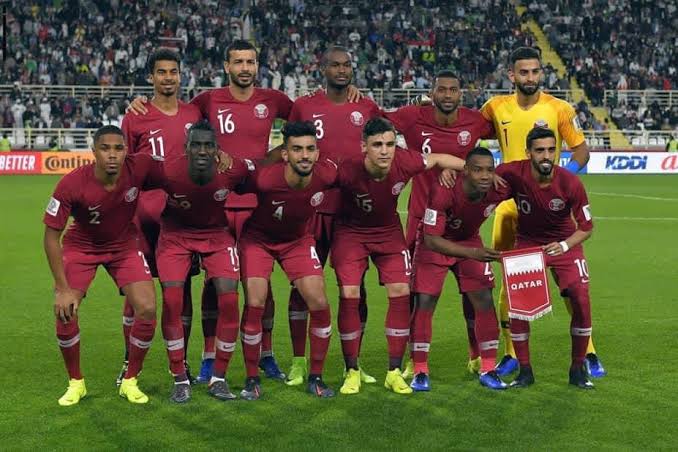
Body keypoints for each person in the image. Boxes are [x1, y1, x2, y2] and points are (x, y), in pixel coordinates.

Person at [129, 40, 294, 383]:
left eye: (250, 62)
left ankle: (266, 353)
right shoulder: (205, 102)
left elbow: (307, 120)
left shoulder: (273, 100)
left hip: (254, 203)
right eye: (238, 62)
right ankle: (208, 355)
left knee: (260, 284)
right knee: (212, 284)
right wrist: (140, 102)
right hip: (212, 206)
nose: (245, 68)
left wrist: (272, 158)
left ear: (258, 65)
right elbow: (172, 118)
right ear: (226, 66)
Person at [480, 47, 604, 378]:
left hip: (550, 211)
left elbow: (581, 150)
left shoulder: (559, 108)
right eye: (524, 72)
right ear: (512, 75)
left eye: (535, 71)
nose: (530, 77)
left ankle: (588, 350)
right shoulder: (495, 107)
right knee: (511, 283)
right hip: (510, 207)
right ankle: (511, 353)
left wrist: (563, 181)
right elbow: (466, 131)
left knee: (572, 286)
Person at [332, 118, 465, 395]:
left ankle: (393, 372)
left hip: (388, 232)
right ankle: (351, 370)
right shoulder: (346, 170)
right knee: (349, 293)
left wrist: (473, 169)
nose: (385, 151)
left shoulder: (405, 161)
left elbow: (438, 157)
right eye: (377, 145)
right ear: (364, 147)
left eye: (390, 144)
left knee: (401, 291)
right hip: (351, 233)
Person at [383, 70, 495, 377]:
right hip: (422, 221)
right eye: (441, 90)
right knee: (418, 295)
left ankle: (476, 355)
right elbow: (377, 119)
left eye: (453, 90)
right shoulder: (412, 117)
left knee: (474, 292)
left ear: (461, 94)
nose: (447, 95)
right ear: (432, 93)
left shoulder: (474, 121)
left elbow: (505, 127)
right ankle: (414, 359)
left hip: (464, 225)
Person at [43, 125, 161, 405]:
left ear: (126, 151)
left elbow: (177, 174)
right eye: (105, 148)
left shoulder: (139, 166)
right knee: (66, 310)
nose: (112, 155)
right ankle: (76, 382)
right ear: (93, 151)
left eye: (118, 148)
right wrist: (62, 288)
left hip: (124, 245)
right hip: (82, 246)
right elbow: (50, 237)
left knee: (147, 307)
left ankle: (130, 380)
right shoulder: (72, 183)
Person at [285, 45, 381, 386]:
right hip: (311, 210)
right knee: (301, 288)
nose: (342, 70)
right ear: (322, 69)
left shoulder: (366, 107)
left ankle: (352, 363)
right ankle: (299, 362)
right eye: (335, 65)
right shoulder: (304, 106)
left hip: (352, 213)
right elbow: (290, 153)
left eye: (346, 65)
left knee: (355, 290)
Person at [119, 49, 203, 386]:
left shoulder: (194, 113)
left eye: (173, 71)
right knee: (135, 295)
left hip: (182, 219)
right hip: (141, 221)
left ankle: (182, 364)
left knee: (181, 293)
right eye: (161, 72)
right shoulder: (135, 117)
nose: (168, 77)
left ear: (181, 76)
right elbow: (124, 170)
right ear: (151, 77)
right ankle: (128, 363)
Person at [152, 121, 252, 403]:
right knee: (172, 301)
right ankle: (179, 378)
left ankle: (218, 378)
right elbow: (134, 176)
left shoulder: (232, 169)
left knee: (230, 301)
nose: (202, 151)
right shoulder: (167, 170)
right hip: (175, 235)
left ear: (217, 149)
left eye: (209, 145)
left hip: (216, 235)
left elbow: (262, 172)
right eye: (196, 145)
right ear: (186, 148)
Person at [237, 121, 338, 400]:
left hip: (297, 241)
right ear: (285, 154)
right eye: (297, 149)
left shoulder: (327, 174)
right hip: (257, 240)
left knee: (319, 302)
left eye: (310, 149)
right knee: (255, 302)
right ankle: (251, 379)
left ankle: (316, 377)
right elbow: (233, 180)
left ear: (317, 152)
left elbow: (358, 173)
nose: (304, 155)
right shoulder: (265, 180)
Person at [495, 127, 595, 389]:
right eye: (540, 150)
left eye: (551, 149)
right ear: (528, 152)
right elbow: (484, 178)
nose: (546, 156)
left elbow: (586, 227)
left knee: (581, 298)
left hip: (563, 244)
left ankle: (577, 368)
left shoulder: (571, 182)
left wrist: (564, 245)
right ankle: (525, 371)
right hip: (528, 243)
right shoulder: (512, 173)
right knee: (519, 308)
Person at [410, 147, 510, 392]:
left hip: (469, 239)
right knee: (424, 302)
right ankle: (420, 370)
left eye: (489, 170)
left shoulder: (499, 188)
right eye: (478, 170)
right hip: (435, 243)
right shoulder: (444, 189)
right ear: (465, 171)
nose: (485, 176)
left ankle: (488, 368)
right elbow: (431, 239)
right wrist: (473, 253)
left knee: (484, 299)